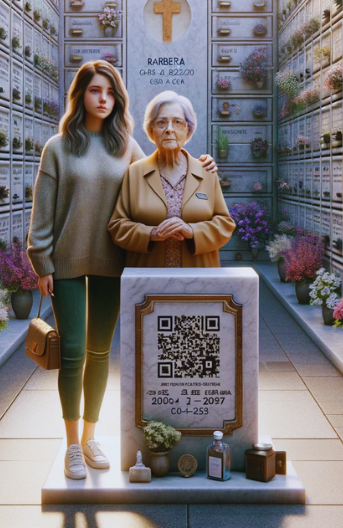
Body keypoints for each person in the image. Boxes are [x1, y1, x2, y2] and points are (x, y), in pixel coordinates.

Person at [27, 62, 216, 480]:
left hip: (116, 264)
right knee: (73, 353)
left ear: (118, 100)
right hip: (67, 265)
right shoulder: (58, 147)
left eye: (110, 93)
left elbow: (166, 166)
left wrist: (203, 164)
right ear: (81, 95)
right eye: (95, 91)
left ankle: (91, 436)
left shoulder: (127, 147)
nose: (103, 99)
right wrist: (41, 262)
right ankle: (72, 444)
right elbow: (41, 214)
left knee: (100, 353)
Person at [108, 90, 235, 268]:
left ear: (188, 129)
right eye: (161, 122)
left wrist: (192, 231)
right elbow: (117, 226)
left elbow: (225, 224)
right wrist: (151, 234)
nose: (169, 129)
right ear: (151, 130)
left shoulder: (206, 171)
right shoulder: (135, 172)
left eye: (177, 122)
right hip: (147, 279)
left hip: (198, 280)